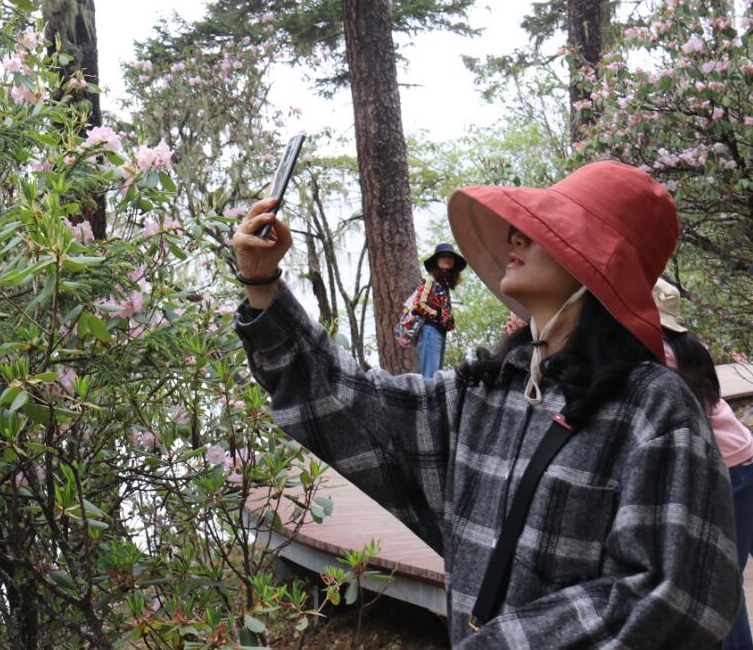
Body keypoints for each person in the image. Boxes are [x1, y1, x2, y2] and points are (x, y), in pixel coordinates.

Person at [230, 160, 739, 647]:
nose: (515, 235)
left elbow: (679, 594)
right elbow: (353, 405)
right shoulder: (486, 396)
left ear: (597, 262)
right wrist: (262, 285)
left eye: (546, 228)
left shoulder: (655, 409)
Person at [654, 279, 753, 650]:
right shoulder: (689, 346)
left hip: (725, 469)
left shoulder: (660, 353)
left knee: (721, 579)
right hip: (741, 456)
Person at [409, 243, 466, 378]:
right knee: (430, 375)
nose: (447, 259)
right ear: (436, 261)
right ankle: (426, 399)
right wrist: (439, 315)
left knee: (435, 374)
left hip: (439, 331)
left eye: (450, 257)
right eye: (443, 256)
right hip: (429, 330)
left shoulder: (443, 284)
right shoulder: (430, 280)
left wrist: (448, 320)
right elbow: (419, 304)